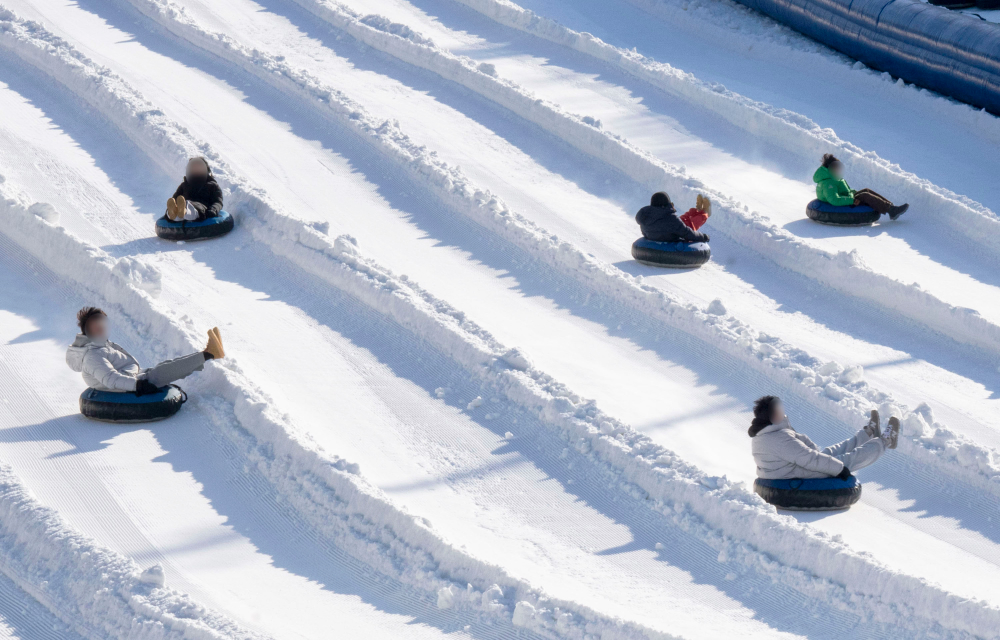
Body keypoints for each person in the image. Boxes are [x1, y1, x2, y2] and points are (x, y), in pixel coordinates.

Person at [66, 307, 225, 396]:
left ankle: (208, 352)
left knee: (165, 366)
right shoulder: (92, 355)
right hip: (122, 386)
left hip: (131, 376)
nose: (101, 329)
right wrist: (138, 385)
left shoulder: (101, 345)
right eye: (96, 327)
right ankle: (209, 353)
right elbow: (110, 379)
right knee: (163, 371)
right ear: (87, 331)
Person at [749, 395, 899, 480]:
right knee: (846, 460)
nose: (783, 412)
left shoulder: (764, 435)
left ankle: (869, 434)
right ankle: (886, 441)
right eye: (780, 410)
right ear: (773, 417)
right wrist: (840, 469)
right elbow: (810, 459)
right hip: (799, 474)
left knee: (830, 452)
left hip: (792, 469)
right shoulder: (779, 439)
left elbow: (805, 452)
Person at [813, 154, 908, 220]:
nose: (838, 170)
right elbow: (834, 200)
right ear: (830, 169)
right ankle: (891, 210)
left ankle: (891, 207)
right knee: (865, 195)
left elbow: (845, 191)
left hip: (846, 198)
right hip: (842, 201)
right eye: (836, 168)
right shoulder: (828, 183)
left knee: (866, 190)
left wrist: (853, 193)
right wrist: (851, 200)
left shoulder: (834, 178)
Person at [635, 192, 710, 243]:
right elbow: (687, 233)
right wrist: (703, 237)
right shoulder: (671, 218)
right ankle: (704, 213)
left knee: (680, 220)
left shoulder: (645, 216)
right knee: (691, 223)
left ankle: (696, 210)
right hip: (675, 235)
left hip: (669, 230)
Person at [165, 157, 224, 222]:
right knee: (178, 207)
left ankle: (184, 211)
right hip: (182, 207)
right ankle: (172, 213)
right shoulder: (184, 185)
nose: (196, 171)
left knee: (190, 206)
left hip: (201, 209)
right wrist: (170, 208)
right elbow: (175, 199)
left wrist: (213, 209)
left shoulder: (212, 186)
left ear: (206, 170)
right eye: (193, 169)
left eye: (198, 169)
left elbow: (218, 201)